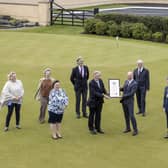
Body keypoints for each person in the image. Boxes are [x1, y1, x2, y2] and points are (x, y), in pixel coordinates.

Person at [120, 71, 138, 136]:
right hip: (124, 101)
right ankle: (128, 128)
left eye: (129, 75)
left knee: (131, 115)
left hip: (130, 102)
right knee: (126, 115)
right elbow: (123, 89)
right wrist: (117, 89)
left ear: (132, 76)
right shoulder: (126, 81)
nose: (128, 76)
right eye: (128, 75)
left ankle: (135, 130)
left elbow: (131, 93)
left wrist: (122, 96)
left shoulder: (135, 83)